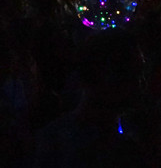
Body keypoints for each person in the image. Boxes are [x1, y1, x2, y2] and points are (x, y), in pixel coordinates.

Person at [35, 28, 147, 168]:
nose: (141, 83)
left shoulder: (53, 138)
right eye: (135, 73)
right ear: (107, 76)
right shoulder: (118, 150)